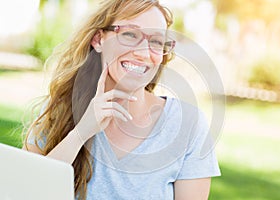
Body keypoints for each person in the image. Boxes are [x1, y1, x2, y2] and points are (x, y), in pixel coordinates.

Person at [23, 0, 221, 199]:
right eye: (130, 35)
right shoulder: (59, 112)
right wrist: (81, 133)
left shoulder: (188, 124)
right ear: (99, 40)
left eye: (156, 42)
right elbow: (27, 194)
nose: (144, 53)